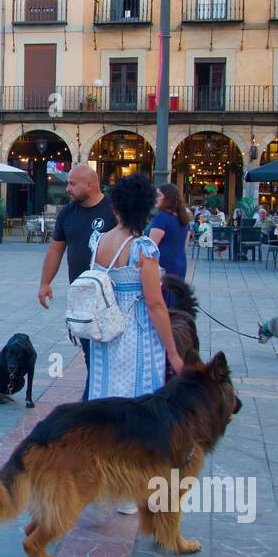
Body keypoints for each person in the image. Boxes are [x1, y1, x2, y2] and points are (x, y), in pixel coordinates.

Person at [90, 174, 186, 514]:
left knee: (105, 402)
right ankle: (128, 489)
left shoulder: (100, 242)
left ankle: (102, 480)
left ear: (115, 207)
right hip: (136, 334)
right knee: (136, 406)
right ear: (146, 209)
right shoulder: (144, 248)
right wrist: (173, 352)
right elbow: (156, 303)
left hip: (106, 334)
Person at [38, 163, 116, 401]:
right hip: (81, 295)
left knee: (108, 349)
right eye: (68, 183)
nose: (68, 188)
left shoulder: (113, 210)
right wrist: (45, 283)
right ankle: (95, 395)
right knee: (88, 348)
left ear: (90, 185)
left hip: (110, 294)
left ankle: (94, 397)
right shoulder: (67, 213)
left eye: (73, 183)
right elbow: (55, 250)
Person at [148, 182, 190, 282]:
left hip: (163, 266)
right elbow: (185, 246)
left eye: (158, 195)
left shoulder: (162, 218)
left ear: (168, 198)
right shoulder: (182, 218)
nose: (155, 198)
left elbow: (149, 248)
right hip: (180, 264)